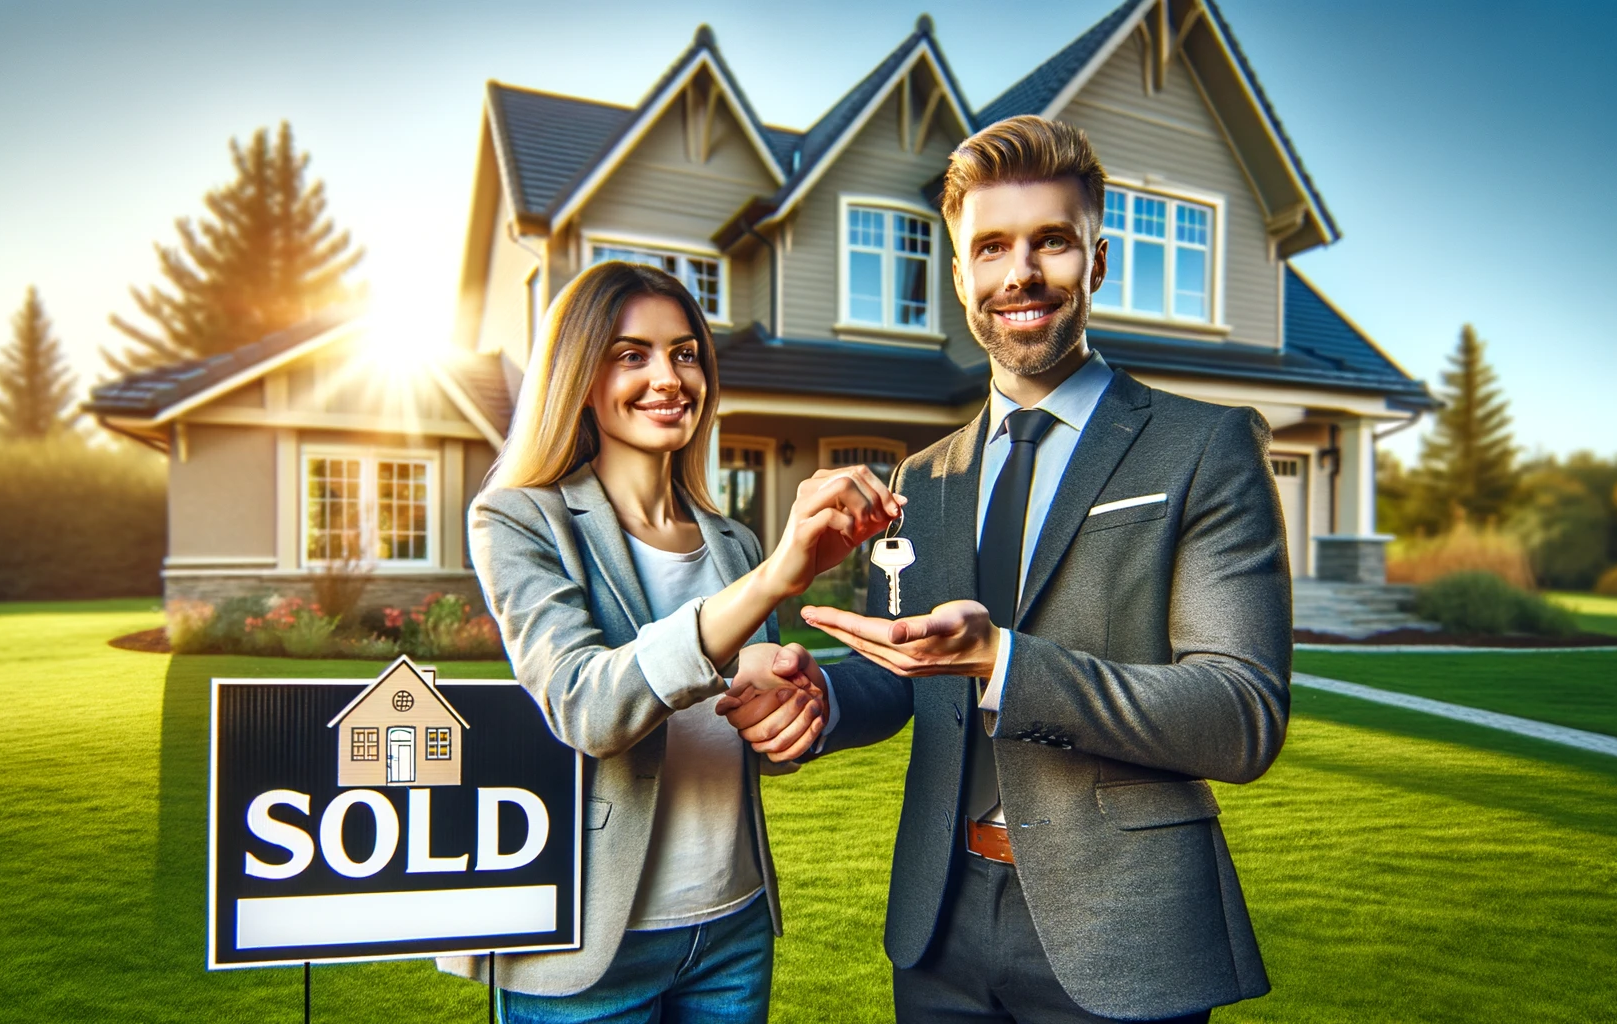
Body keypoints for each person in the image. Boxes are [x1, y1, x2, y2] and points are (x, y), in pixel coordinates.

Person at [723, 116, 1292, 1023]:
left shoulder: (1204, 449)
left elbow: (1239, 715)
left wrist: (1006, 663)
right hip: (939, 929)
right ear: (960, 276)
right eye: (990, 248)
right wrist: (819, 698)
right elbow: (906, 677)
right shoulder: (923, 479)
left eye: (1051, 242)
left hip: (1123, 931)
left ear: (1096, 261)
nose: (1019, 272)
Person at [445, 260, 894, 1023]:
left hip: (730, 929)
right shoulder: (519, 519)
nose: (669, 378)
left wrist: (786, 705)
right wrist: (773, 580)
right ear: (581, 377)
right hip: (585, 945)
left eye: (685, 353)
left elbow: (745, 736)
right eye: (633, 355)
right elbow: (586, 707)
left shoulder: (733, 544)